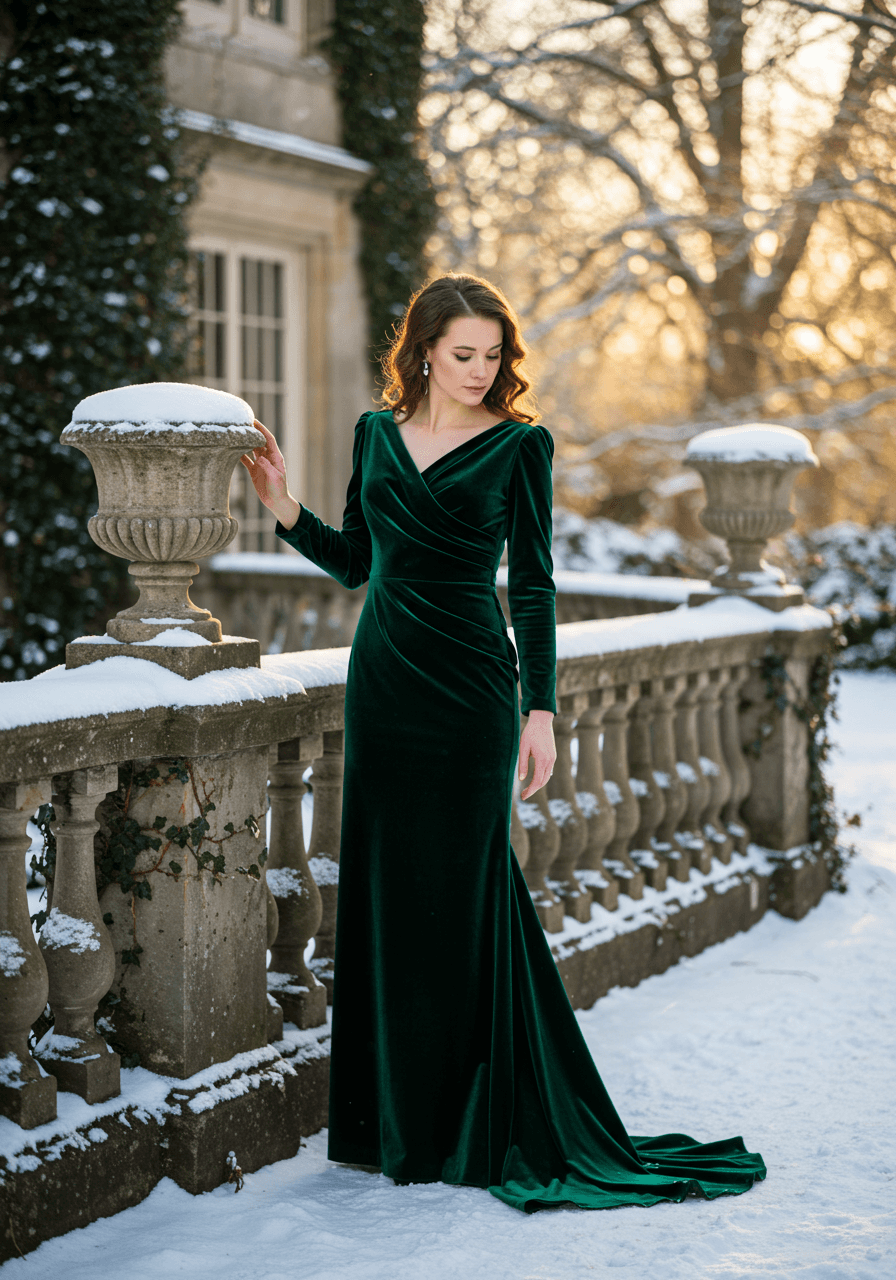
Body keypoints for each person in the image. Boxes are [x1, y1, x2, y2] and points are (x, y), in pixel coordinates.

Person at [241, 272, 766, 1212]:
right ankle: (391, 1123)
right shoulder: (373, 435)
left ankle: (480, 1116)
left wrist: (541, 710)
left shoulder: (522, 447)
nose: (480, 371)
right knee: (388, 896)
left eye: (493, 355)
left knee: (469, 898)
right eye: (462, 354)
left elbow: (534, 587)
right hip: (387, 688)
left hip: (473, 696)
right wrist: (284, 506)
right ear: (425, 353)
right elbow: (362, 562)